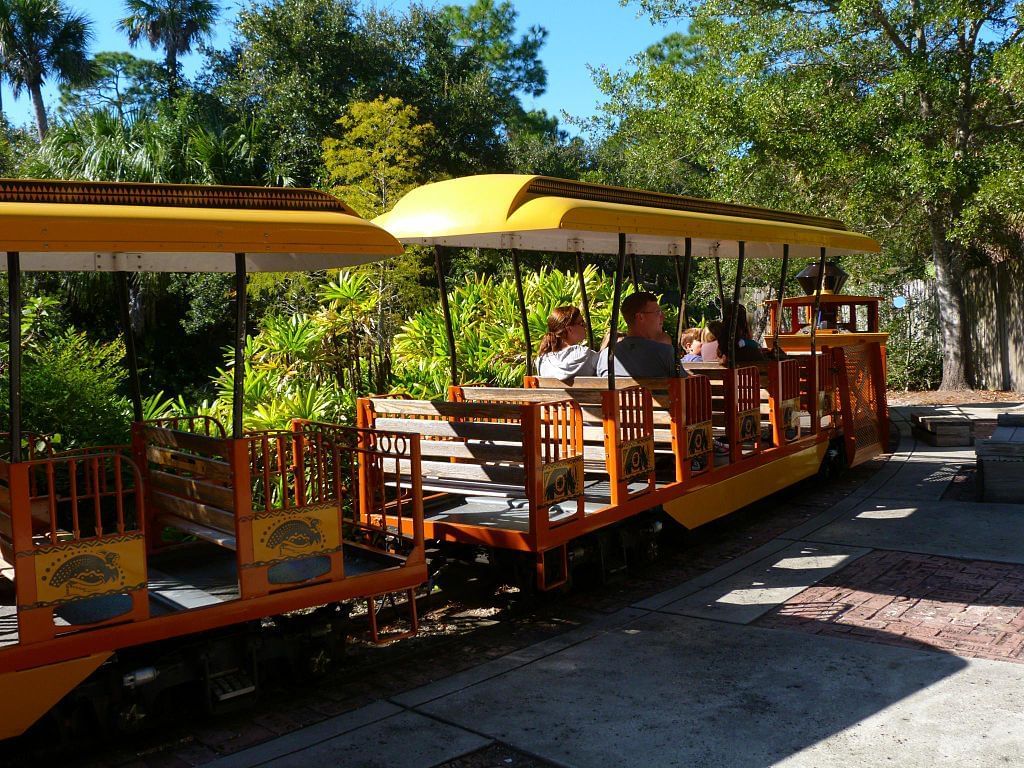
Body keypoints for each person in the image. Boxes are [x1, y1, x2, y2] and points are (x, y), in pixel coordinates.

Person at [596, 292, 680, 378]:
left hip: (617, 391)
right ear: (640, 317)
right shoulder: (664, 352)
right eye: (658, 313)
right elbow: (685, 385)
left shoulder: (606, 355)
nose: (663, 317)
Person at [535, 306, 598, 381]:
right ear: (569, 329)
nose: (585, 326)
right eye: (581, 323)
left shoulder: (542, 361)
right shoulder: (587, 355)